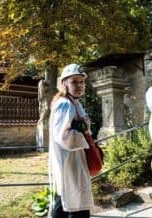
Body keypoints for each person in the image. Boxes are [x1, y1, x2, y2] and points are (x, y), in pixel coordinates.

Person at [48, 63, 94, 218]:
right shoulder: (65, 105)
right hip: (68, 161)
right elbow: (63, 137)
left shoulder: (75, 103)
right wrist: (85, 134)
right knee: (74, 203)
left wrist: (84, 127)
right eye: (74, 81)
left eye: (81, 82)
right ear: (64, 84)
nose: (79, 85)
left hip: (75, 159)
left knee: (68, 200)